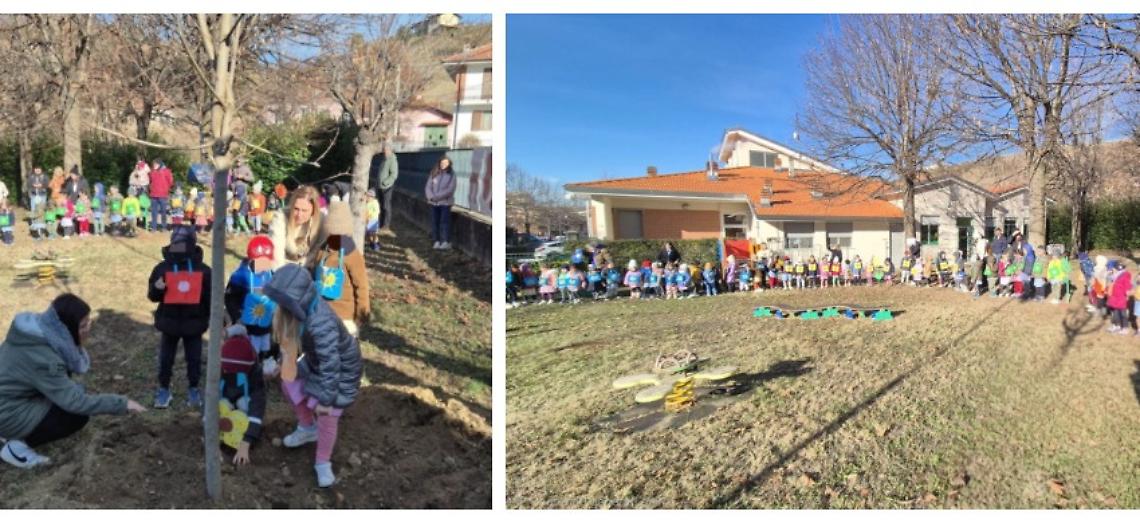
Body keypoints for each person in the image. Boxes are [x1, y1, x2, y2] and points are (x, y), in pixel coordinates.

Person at [0, 294, 147, 469]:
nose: (89, 327)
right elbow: (75, 403)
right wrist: (123, 404)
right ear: (66, 328)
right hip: (7, 413)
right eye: (83, 325)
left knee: (74, 391)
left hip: (11, 398)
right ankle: (13, 444)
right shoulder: (45, 359)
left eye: (89, 321)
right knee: (75, 417)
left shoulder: (35, 334)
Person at [265, 264, 362, 488]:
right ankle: (307, 428)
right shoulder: (300, 314)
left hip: (342, 371)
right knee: (290, 382)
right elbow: (296, 348)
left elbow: (332, 364)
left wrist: (326, 401)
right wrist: (283, 365)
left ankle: (322, 462)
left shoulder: (321, 324)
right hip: (317, 363)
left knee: (328, 416)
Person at [147, 226, 212, 409]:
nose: (180, 247)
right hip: (170, 323)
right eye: (177, 243)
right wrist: (157, 289)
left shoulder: (204, 271)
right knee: (166, 358)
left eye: (184, 243)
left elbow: (210, 298)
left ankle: (193, 388)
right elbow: (152, 296)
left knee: (194, 359)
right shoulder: (162, 268)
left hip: (194, 323)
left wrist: (208, 318)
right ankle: (164, 388)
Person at [308, 202, 370, 335]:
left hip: (345, 316)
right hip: (322, 312)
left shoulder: (352, 254)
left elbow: (361, 285)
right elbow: (314, 272)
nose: (335, 237)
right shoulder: (323, 249)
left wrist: (362, 314)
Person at [224, 236, 279, 376]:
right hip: (247, 322)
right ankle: (248, 370)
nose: (263, 264)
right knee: (249, 348)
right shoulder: (240, 275)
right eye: (259, 261)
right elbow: (230, 298)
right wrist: (237, 316)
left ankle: (263, 367)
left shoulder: (271, 274)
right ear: (251, 259)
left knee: (265, 346)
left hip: (266, 322)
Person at [218, 327, 267, 466]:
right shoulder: (218, 370)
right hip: (225, 404)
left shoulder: (255, 376)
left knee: (244, 404)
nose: (231, 375)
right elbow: (208, 407)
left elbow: (257, 410)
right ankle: (223, 433)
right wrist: (212, 443)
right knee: (221, 405)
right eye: (228, 372)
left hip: (243, 408)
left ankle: (239, 429)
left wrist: (246, 443)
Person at [271, 185, 326, 269]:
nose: (299, 215)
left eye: (304, 210)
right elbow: (276, 250)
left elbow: (317, 249)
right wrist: (282, 274)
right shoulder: (281, 216)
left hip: (308, 264)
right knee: (258, 263)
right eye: (296, 209)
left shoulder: (322, 221)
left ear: (313, 211)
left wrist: (301, 266)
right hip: (282, 263)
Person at [424, 156, 456, 250]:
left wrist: (436, 197)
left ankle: (445, 241)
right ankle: (436, 241)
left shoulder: (451, 175)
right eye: (442, 163)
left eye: (446, 163)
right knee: (435, 222)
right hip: (434, 203)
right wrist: (430, 197)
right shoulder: (434, 173)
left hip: (445, 203)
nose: (443, 165)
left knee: (444, 222)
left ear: (449, 164)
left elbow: (450, 190)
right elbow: (428, 187)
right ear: (439, 163)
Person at [376, 143, 398, 235]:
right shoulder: (384, 159)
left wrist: (385, 182)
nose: (383, 151)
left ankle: (386, 225)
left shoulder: (392, 160)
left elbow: (394, 175)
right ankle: (381, 224)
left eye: (385, 150)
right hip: (380, 186)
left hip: (387, 187)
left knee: (386, 206)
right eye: (383, 149)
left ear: (389, 150)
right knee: (380, 206)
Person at [1107, 261, 1132, 335]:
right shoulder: (1115, 276)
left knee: (1123, 313)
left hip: (1121, 298)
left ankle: (1125, 328)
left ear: (1117, 269)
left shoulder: (1124, 276)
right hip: (1115, 297)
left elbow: (1128, 287)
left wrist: (1127, 294)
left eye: (1113, 269)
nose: (1112, 270)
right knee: (1115, 313)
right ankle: (1117, 325)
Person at [149, 160, 174, 232]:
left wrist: (166, 188)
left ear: (159, 164)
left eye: (155, 164)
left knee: (163, 212)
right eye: (153, 164)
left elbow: (171, 182)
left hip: (163, 195)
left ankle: (164, 227)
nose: (154, 166)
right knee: (154, 212)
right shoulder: (153, 172)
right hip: (154, 194)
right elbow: (150, 179)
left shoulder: (166, 171)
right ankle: (154, 227)